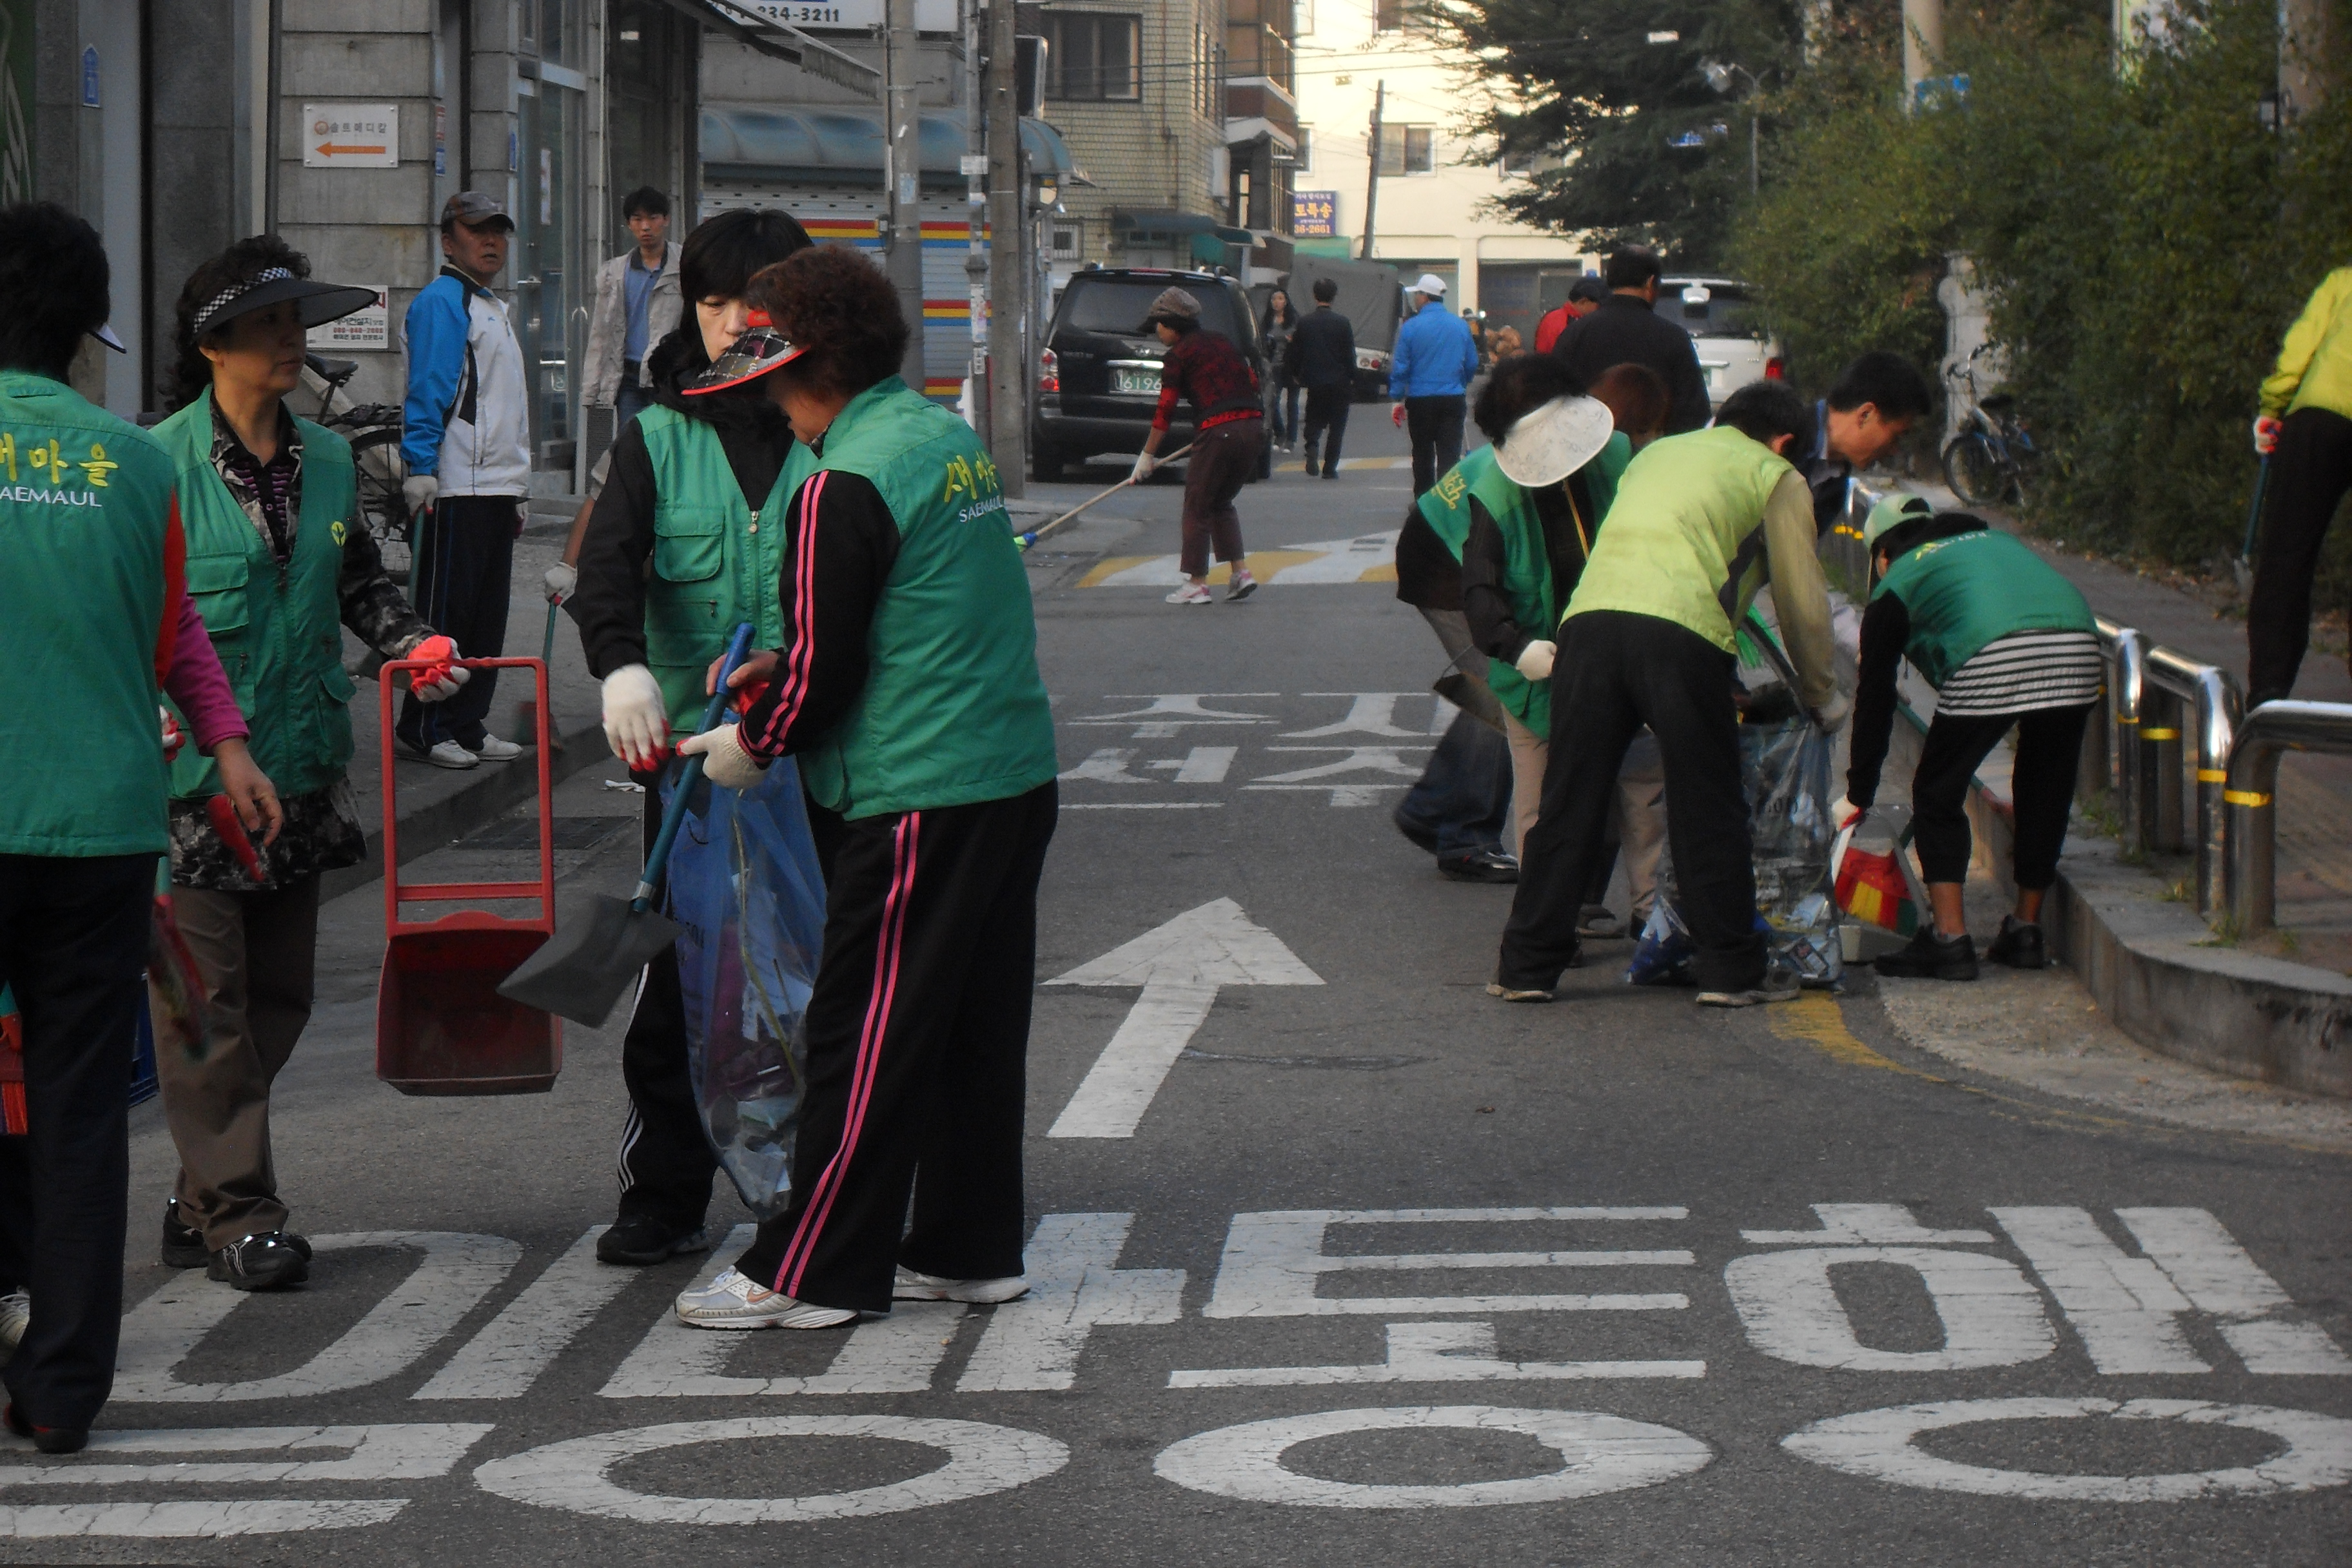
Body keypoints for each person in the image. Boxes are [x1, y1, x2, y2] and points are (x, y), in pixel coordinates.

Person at [662, 242, 1059, 1330]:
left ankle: (810, 1266)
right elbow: (893, 614)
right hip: (1007, 772)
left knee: (865, 1027)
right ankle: (968, 1246)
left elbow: (829, 666)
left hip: (914, 785)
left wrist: (757, 731)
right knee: (973, 1025)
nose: (773, 406)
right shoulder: (938, 437)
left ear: (805, 370)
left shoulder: (841, 475)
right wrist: (780, 672)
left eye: (773, 379)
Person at [0, 201, 269, 1453]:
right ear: (82, 333)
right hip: (103, 830)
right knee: (77, 1108)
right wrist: (222, 747)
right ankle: (61, 1387)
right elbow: (177, 640)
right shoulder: (136, 465)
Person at [150, 236, 469, 1292]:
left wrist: (409, 641)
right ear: (215, 344)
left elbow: (357, 583)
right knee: (208, 1007)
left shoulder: (330, 461)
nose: (295, 342)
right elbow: (127, 618)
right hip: (192, 784)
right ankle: (243, 1211)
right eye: (272, 324)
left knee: (279, 998)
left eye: (300, 322)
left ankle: (200, 1185)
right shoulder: (157, 467)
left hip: (300, 769)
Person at [571, 206, 816, 1268]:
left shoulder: (829, 429)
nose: (726, 325)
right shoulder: (658, 433)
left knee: (816, 971)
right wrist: (620, 664)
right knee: (678, 975)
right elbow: (606, 572)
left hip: (817, 754)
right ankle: (664, 1190)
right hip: (689, 771)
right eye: (709, 302)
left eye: (749, 303)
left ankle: (819, 1179)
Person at [1491, 380, 1846, 1007]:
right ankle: (1729, 973)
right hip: (1681, 637)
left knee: (1569, 800)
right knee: (1707, 805)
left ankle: (1525, 967)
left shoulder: (1656, 454)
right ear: (1786, 441)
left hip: (1589, 628)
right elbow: (1801, 600)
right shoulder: (1776, 475)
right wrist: (1821, 692)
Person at [1841, 496, 2101, 980]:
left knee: (1937, 790)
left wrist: (1860, 791)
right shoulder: (1995, 542)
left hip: (1993, 655)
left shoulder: (1899, 578)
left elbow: (1875, 700)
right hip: (2080, 646)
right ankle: (2025, 929)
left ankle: (1949, 938)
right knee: (2045, 784)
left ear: (1881, 556)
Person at [397, 191, 530, 770]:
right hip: (454, 485)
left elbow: (505, 406)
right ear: (448, 241)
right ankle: (425, 725)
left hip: (494, 485)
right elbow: (430, 387)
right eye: (478, 231)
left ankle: (467, 722)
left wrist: (516, 487)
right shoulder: (442, 302)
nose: (491, 241)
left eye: (499, 231)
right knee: (444, 618)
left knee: (484, 618)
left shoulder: (491, 305)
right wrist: (421, 468)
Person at [2249, 264, 2352, 707]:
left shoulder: (2343, 282)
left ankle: (2270, 690)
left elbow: (2298, 352)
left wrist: (2273, 405)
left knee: (2287, 557)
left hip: (2319, 420)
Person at [1132, 287, 1265, 606]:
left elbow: (1165, 410)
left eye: (1158, 326)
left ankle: (1196, 584)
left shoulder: (1177, 356)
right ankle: (1240, 573)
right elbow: (1252, 382)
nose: (1156, 332)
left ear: (1171, 324)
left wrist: (1147, 455)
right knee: (1221, 502)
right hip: (1253, 428)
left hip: (1220, 431)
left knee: (1197, 505)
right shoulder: (1223, 341)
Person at [1550, 248, 1710, 435]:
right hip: (1652, 454)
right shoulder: (1673, 337)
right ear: (1651, 283)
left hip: (1589, 450)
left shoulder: (1575, 333)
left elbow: (1554, 399)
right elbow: (1693, 414)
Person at [584, 186, 683, 437]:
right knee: (632, 447)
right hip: (628, 377)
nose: (646, 227)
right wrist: (591, 388)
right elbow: (601, 334)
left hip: (669, 377)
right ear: (629, 224)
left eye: (653, 218)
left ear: (666, 220)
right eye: (638, 219)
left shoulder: (684, 265)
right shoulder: (615, 272)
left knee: (668, 444)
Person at [1800, 352, 1935, 532]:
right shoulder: (1784, 440)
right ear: (1866, 415)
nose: (1894, 450)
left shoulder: (1836, 479)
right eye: (1896, 437)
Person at [1389, 273, 1481, 496]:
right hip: (1452, 398)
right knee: (1449, 454)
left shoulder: (1411, 327)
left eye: (1417, 295)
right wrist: (1462, 381)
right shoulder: (1460, 326)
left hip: (1420, 399)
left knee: (1422, 454)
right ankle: (1447, 500)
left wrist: (1397, 396)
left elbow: (1402, 366)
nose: (1416, 300)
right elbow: (1472, 362)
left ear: (1424, 297)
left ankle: (1423, 501)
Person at [1288, 276, 1355, 479]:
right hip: (1339, 382)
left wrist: (1297, 375)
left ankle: (1312, 445)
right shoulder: (1343, 323)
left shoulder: (1305, 323)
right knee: (1337, 426)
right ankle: (1330, 468)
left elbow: (1296, 352)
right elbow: (1349, 354)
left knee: (1314, 419)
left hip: (1315, 381)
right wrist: (1353, 376)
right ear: (1334, 297)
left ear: (1314, 296)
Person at [1260, 288, 1300, 450]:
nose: (1277, 302)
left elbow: (1301, 341)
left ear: (1286, 301)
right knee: (1273, 402)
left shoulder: (1294, 320)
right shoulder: (1267, 321)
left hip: (1291, 366)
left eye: (1281, 299)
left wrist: (1293, 341)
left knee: (1292, 404)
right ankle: (1280, 434)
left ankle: (1291, 440)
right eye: (1274, 299)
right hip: (1273, 366)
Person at [1534, 275, 1609, 356]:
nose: (1602, 309)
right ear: (1583, 302)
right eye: (1600, 305)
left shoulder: (1556, 317)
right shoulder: (1561, 322)